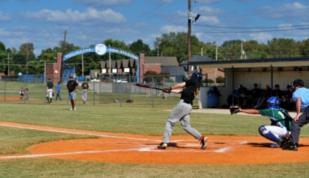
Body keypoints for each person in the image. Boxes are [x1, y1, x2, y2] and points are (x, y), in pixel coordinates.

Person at [157, 71, 208, 150]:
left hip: (183, 104)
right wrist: (170, 91)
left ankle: (164, 143)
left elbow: (181, 85)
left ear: (195, 77)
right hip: (188, 106)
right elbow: (181, 91)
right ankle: (201, 138)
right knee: (186, 126)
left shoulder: (193, 81)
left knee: (170, 122)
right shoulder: (196, 86)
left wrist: (171, 88)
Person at [282, 79, 309, 151]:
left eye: (293, 85)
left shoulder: (296, 92)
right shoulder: (308, 90)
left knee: (295, 122)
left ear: (296, 86)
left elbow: (299, 100)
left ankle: (293, 144)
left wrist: (298, 114)